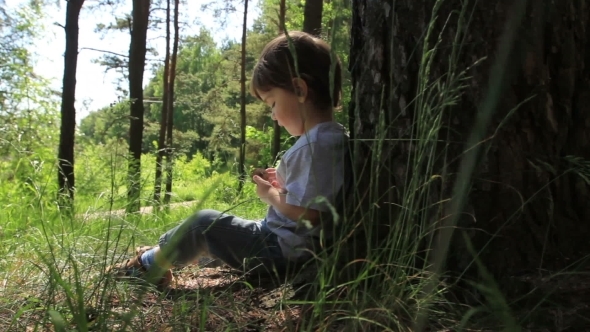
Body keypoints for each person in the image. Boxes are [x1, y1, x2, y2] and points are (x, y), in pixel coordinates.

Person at [108, 31, 348, 287]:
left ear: (299, 89)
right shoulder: (331, 139)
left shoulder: (316, 144)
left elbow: (313, 215)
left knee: (203, 224)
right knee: (218, 232)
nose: (274, 116)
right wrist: (281, 187)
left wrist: (270, 196)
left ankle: (148, 265)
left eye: (272, 103)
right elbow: (312, 200)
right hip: (287, 244)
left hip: (281, 250)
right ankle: (163, 252)